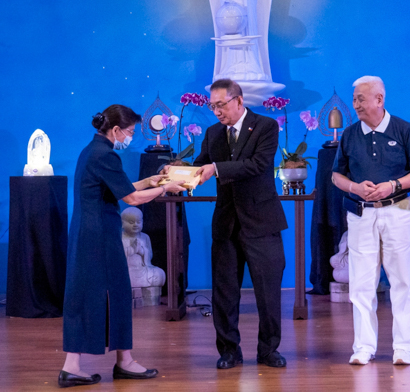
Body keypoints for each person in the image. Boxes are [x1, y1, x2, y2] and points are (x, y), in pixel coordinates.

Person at [59, 105, 185, 388]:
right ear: (115, 130)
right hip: (100, 236)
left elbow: (121, 187)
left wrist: (150, 181)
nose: (130, 137)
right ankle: (117, 362)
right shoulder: (106, 155)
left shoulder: (93, 151)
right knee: (109, 294)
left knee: (94, 295)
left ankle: (90, 363)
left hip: (88, 233)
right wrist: (166, 187)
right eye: (129, 132)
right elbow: (132, 199)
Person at [189, 78, 288, 369]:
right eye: (212, 106)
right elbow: (200, 165)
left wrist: (216, 169)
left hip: (261, 222)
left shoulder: (266, 127)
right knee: (224, 293)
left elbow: (258, 165)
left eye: (221, 105)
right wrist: (174, 173)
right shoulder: (212, 134)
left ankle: (268, 350)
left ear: (239, 101)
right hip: (227, 225)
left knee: (268, 292)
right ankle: (229, 351)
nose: (216, 111)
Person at [332, 75, 410, 366]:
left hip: (398, 210)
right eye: (354, 99)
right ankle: (363, 346)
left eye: (361, 99)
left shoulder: (403, 129)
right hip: (361, 214)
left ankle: (403, 346)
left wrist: (392, 185)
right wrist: (354, 187)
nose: (356, 104)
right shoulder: (349, 134)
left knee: (401, 280)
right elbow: (337, 175)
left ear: (379, 99)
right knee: (361, 283)